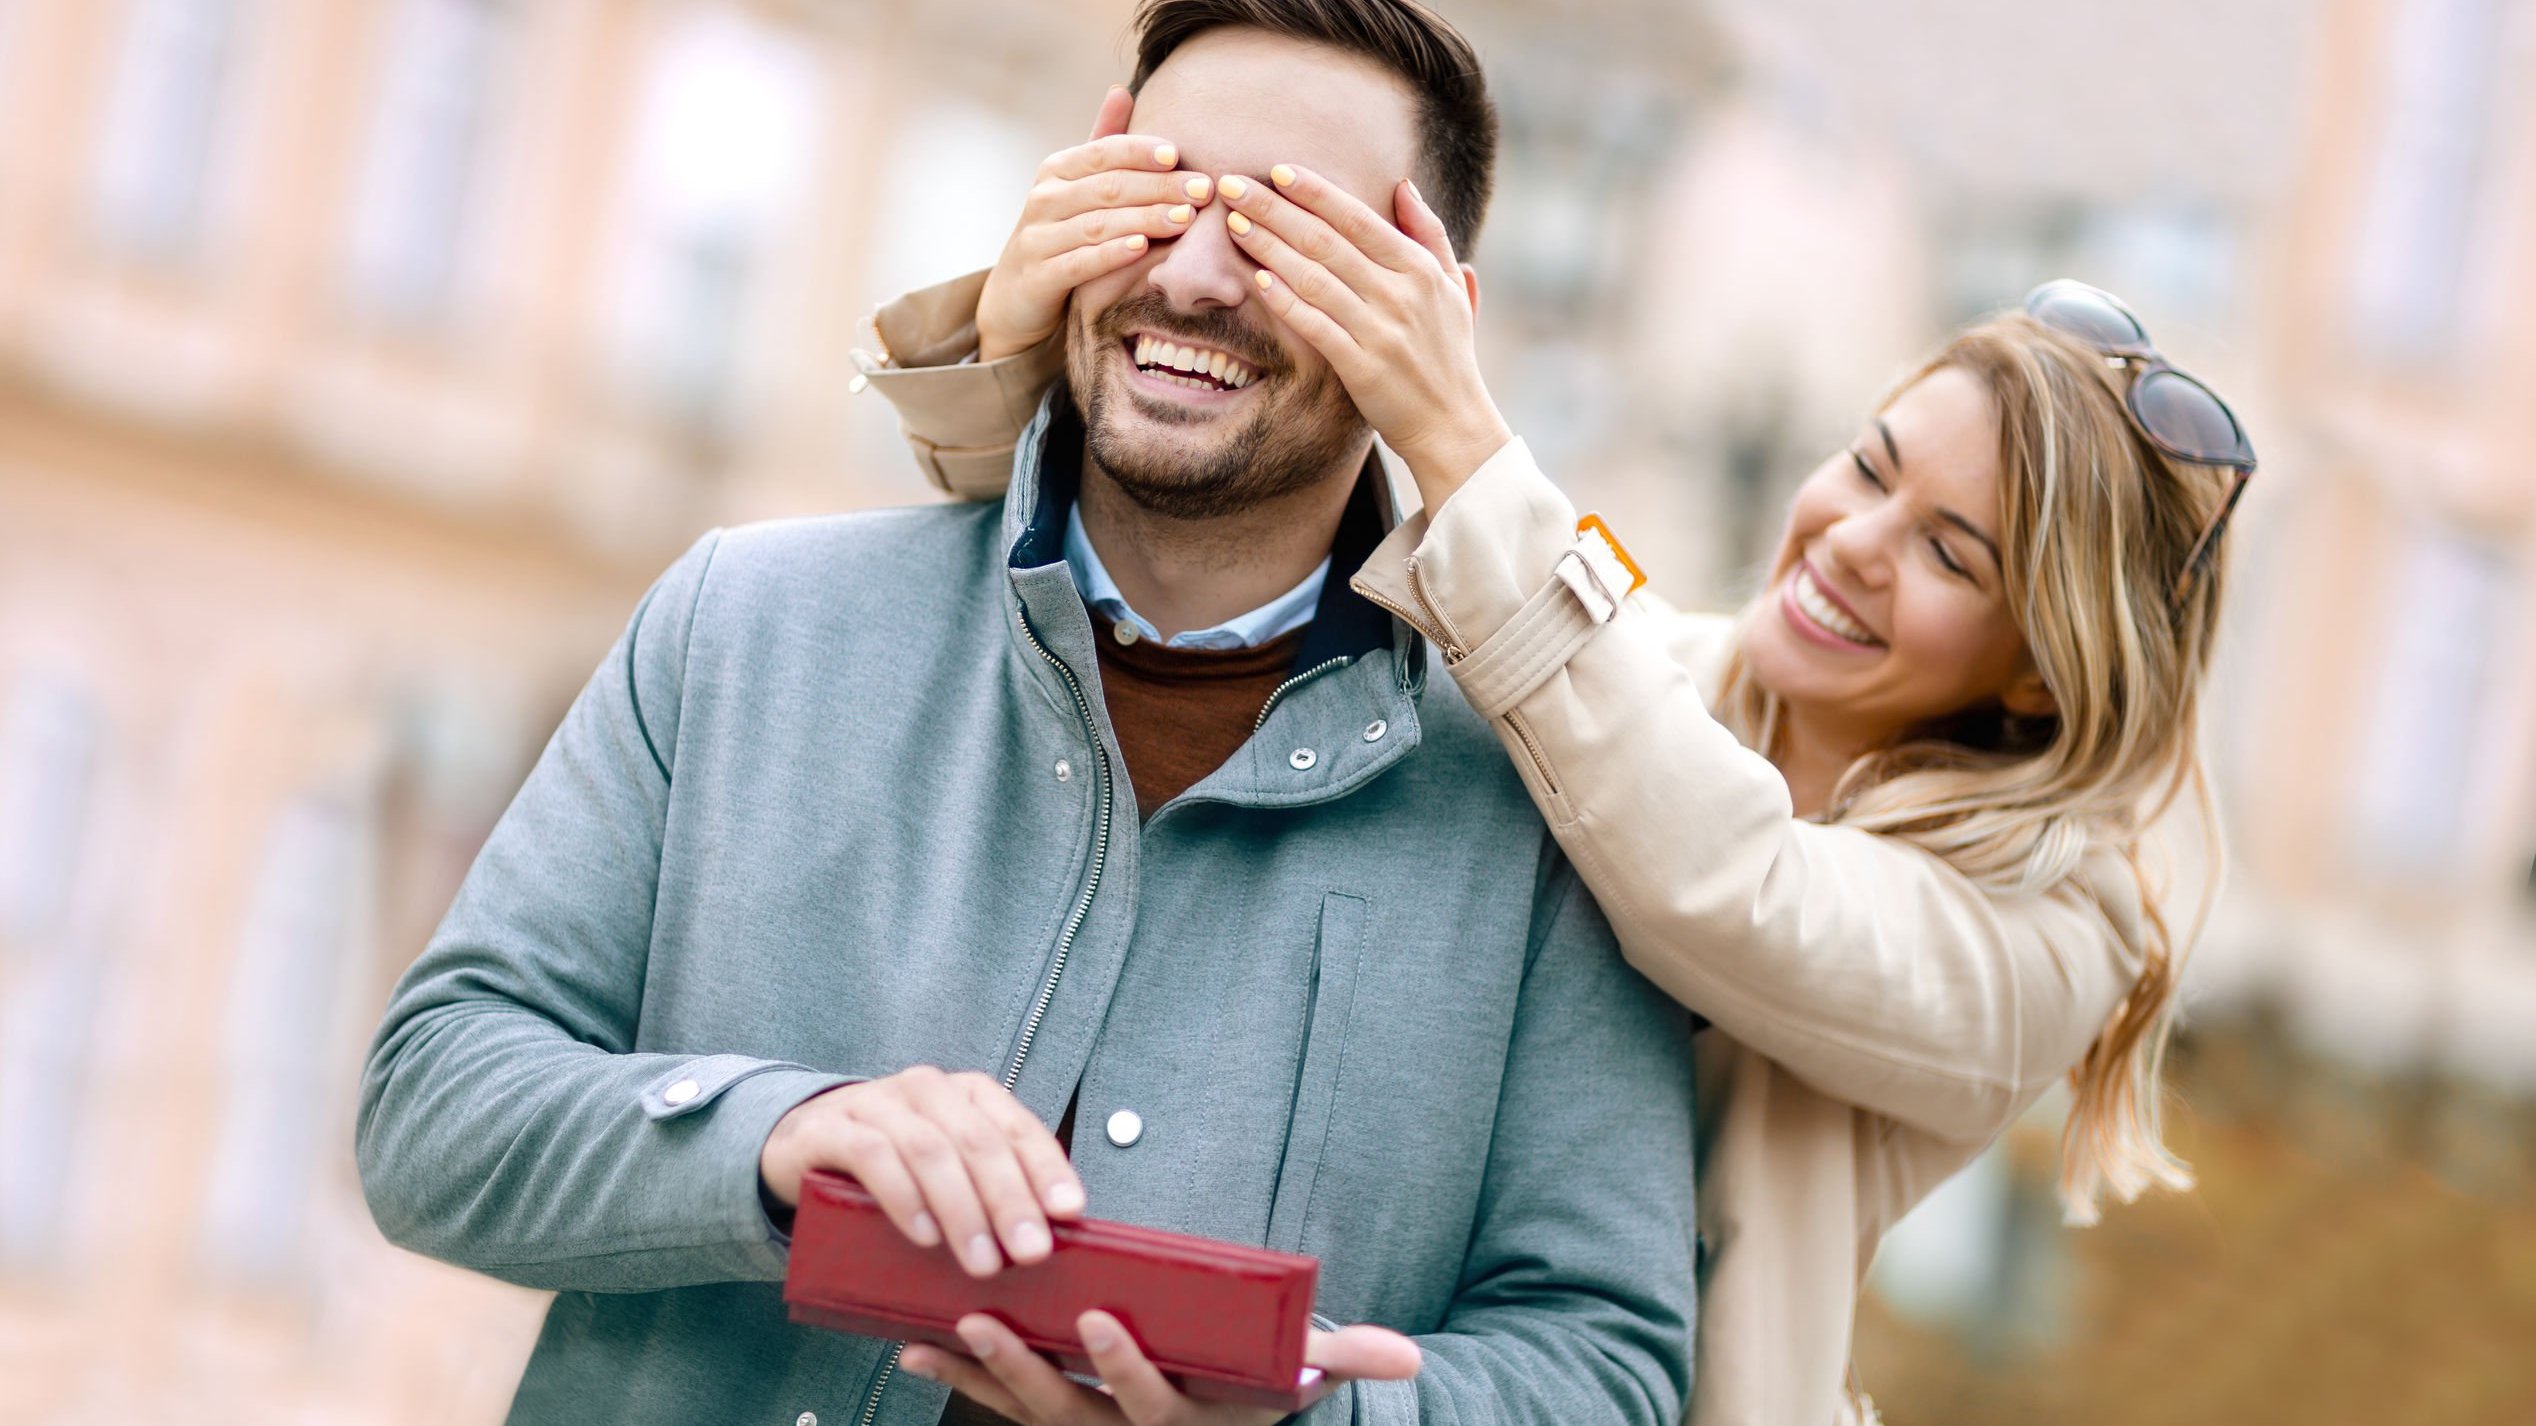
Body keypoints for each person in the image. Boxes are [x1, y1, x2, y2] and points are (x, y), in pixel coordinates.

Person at [354, 4, 1703, 1426]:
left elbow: (1607, 1369)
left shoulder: (1552, 807)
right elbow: (431, 1108)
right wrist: (776, 1140)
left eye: (1287, 232)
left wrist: (1316, 1421)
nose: (1191, 273)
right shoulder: (743, 624)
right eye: (1158, 195)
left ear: (1435, 319)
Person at [860, 65, 2250, 1426]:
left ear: (2037, 675)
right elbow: (1195, 584)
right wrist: (1029, 342)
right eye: (1872, 465)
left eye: (1952, 553)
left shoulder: (2057, 932)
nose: (1853, 539)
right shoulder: (1644, 685)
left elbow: (1726, 885)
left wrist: (1458, 433)